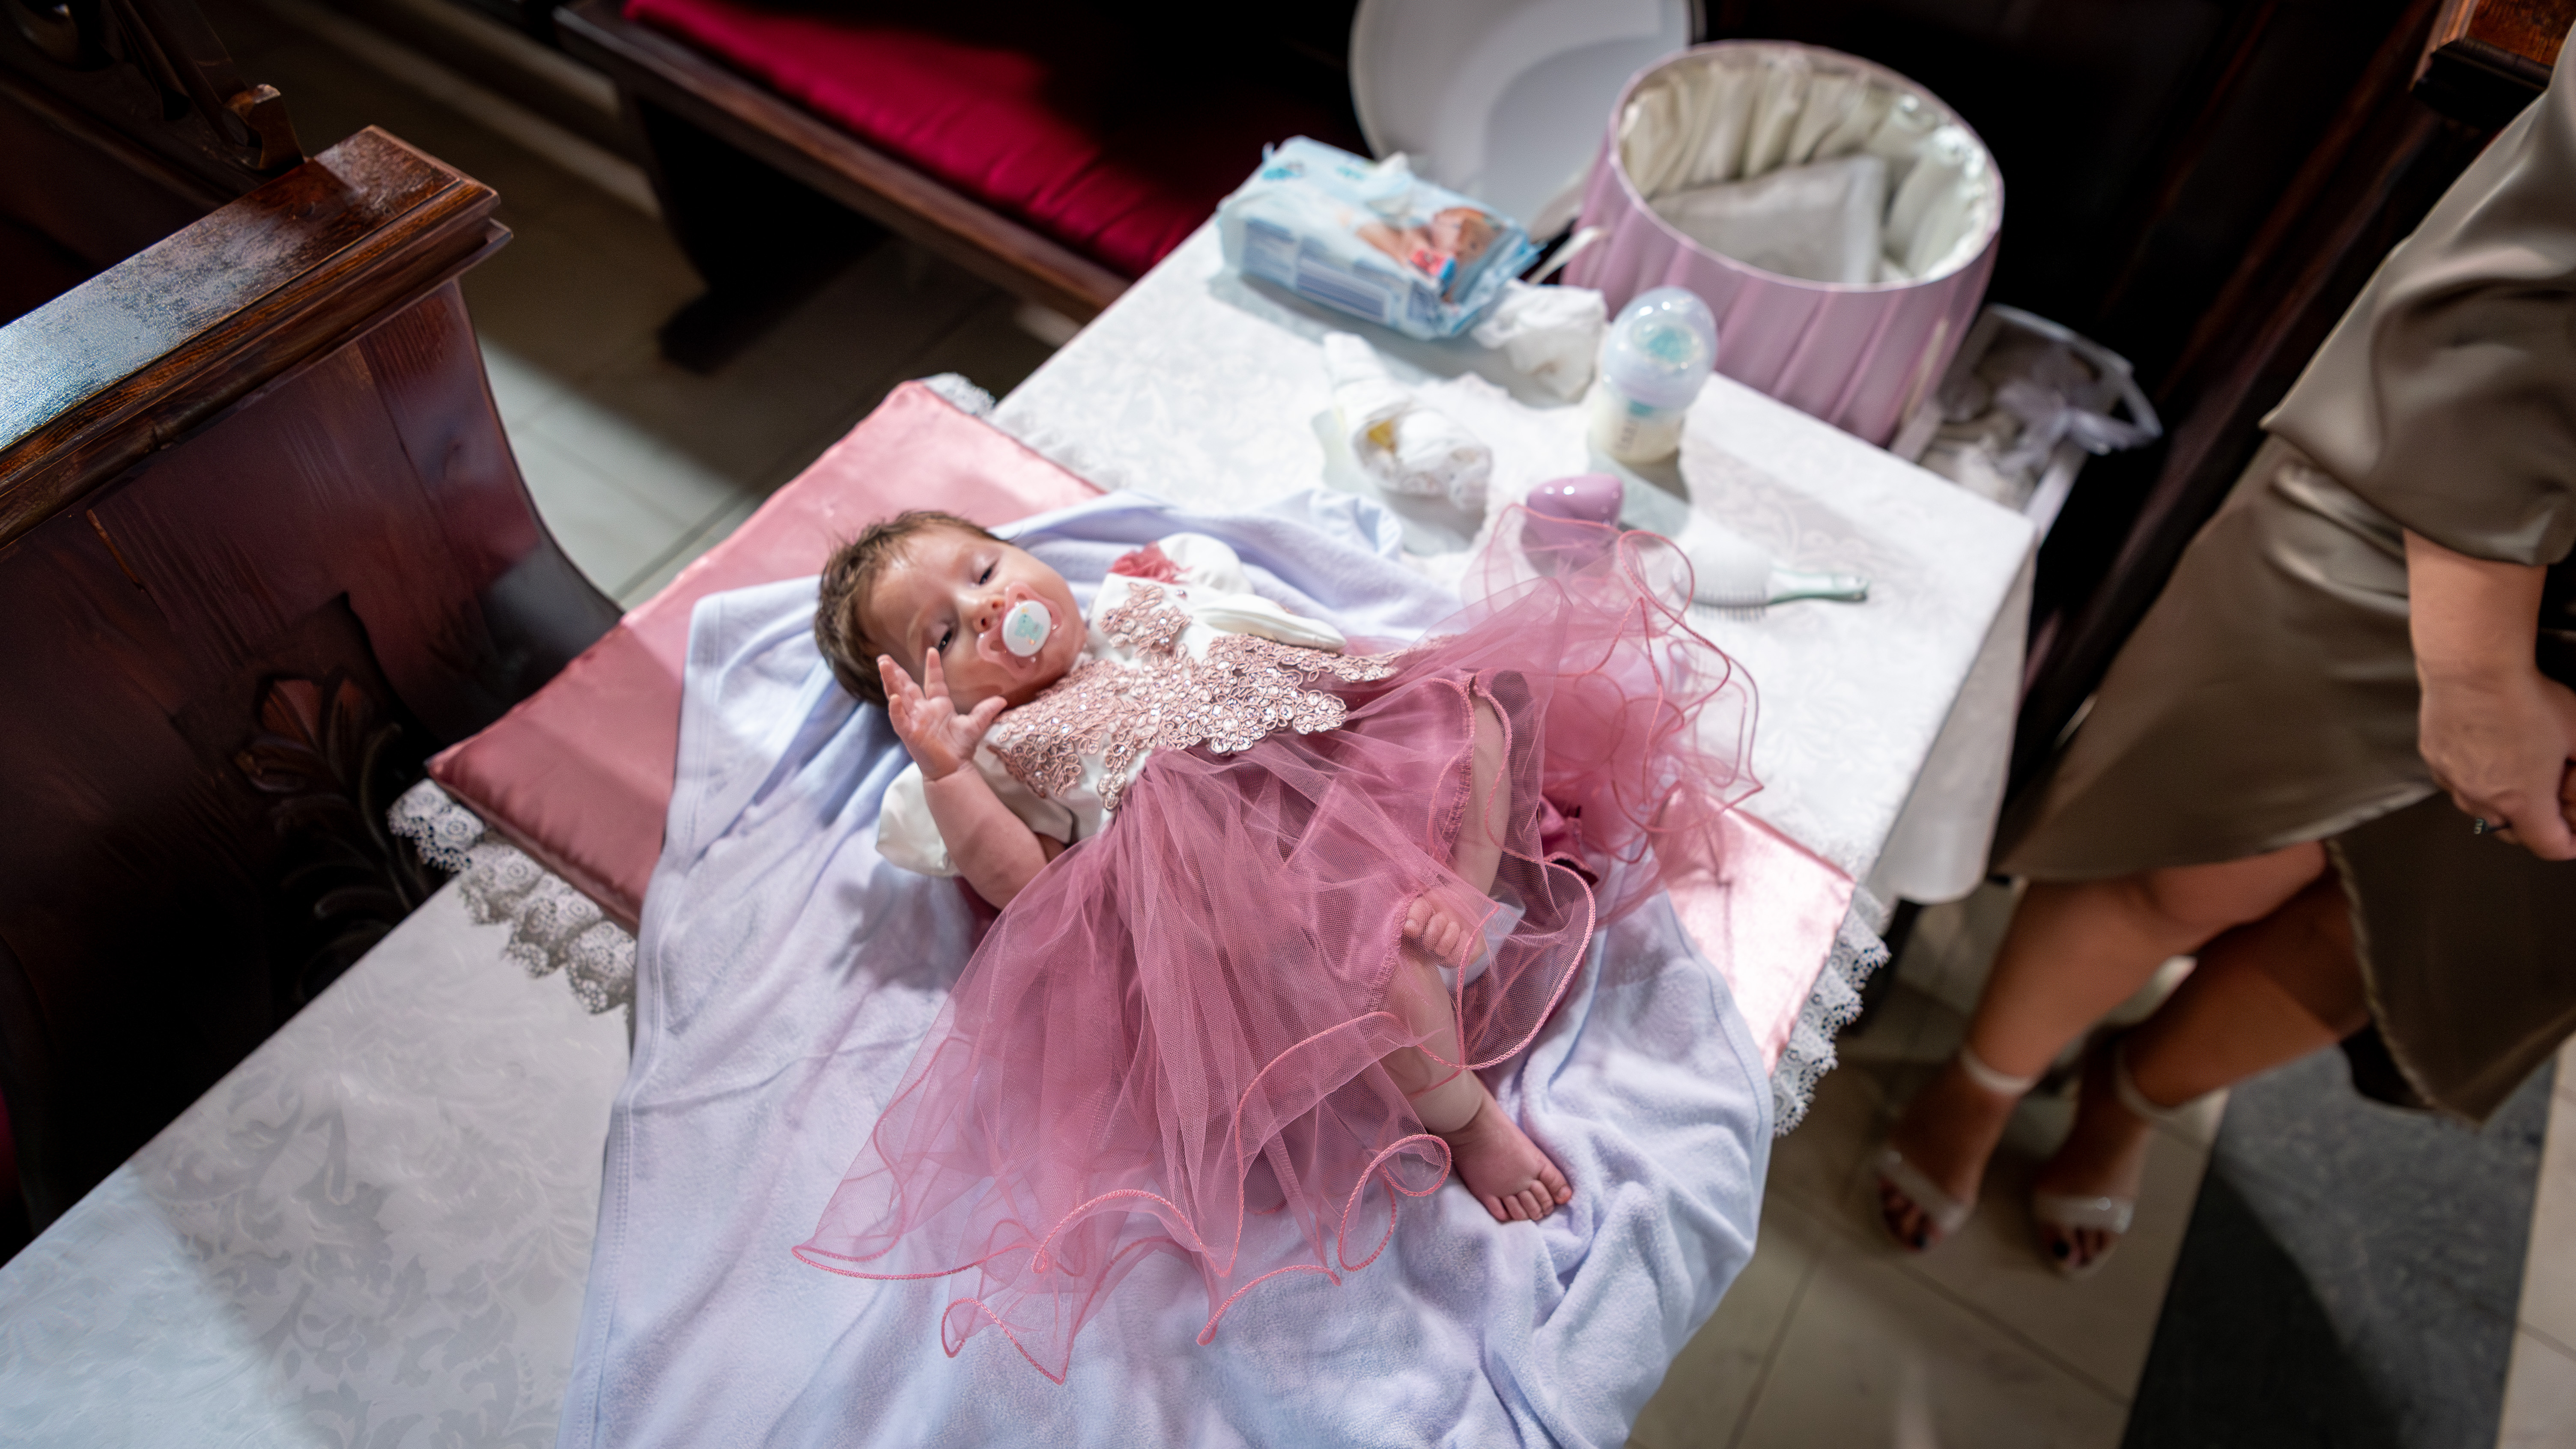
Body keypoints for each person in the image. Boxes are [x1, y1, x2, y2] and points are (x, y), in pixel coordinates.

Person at [1877, 30, 2576, 1278]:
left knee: (2398, 944)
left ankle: (2130, 1093)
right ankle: (1986, 1079)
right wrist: (2476, 670)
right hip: (2471, 470)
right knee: (2195, 858)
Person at [795, 508, 1753, 1377]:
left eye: (984, 569)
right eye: (944, 636)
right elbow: (1030, 890)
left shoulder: (1143, 593)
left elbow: (1305, 649)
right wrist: (948, 773)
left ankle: (1460, 889)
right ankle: (1466, 1121)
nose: (988, 607)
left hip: (1341, 778)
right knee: (1372, 983)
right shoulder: (1003, 752)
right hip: (1250, 899)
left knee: (1468, 708)